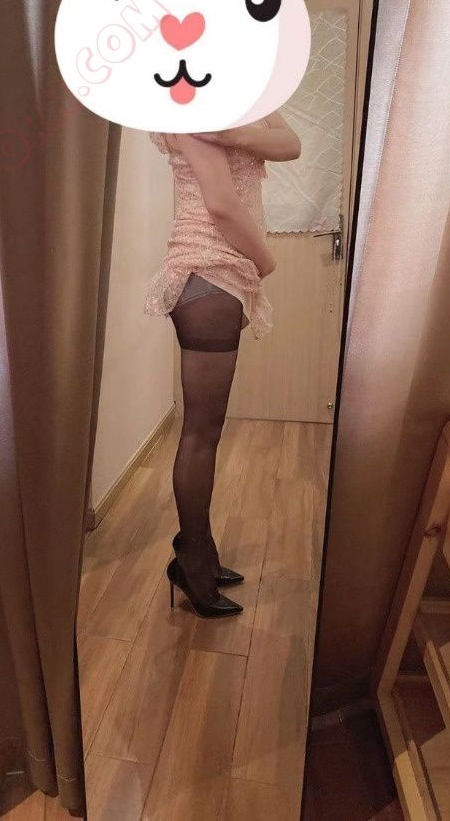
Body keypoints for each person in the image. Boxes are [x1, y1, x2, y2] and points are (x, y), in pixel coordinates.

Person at [145, 114, 301, 618]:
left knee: (207, 431)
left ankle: (202, 550)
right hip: (208, 271)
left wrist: (235, 134)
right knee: (200, 432)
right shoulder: (188, 103)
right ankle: (191, 558)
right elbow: (221, 205)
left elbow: (290, 144)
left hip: (220, 273)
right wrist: (267, 263)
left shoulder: (242, 99)